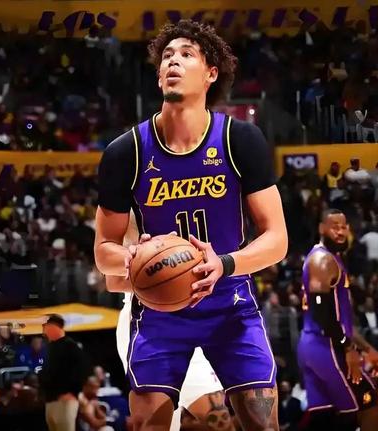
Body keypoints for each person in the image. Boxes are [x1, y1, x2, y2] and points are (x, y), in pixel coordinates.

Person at [95, 19, 287, 430]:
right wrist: (132, 256)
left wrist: (225, 263)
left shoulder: (240, 140)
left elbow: (277, 239)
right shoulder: (125, 152)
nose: (173, 62)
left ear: (211, 73)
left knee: (263, 425)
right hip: (159, 312)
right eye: (167, 56)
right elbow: (103, 252)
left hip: (230, 304)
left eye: (186, 55)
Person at [111, 211, 230, 431]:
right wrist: (171, 279)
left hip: (200, 316)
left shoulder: (209, 199)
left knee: (219, 420)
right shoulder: (130, 205)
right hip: (148, 323)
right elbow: (114, 282)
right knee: (163, 423)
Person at [297, 209, 378, 431]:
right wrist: (348, 348)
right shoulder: (323, 259)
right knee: (370, 408)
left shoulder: (330, 258)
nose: (340, 231)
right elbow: (321, 311)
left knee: (327, 419)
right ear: (321, 229)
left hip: (314, 346)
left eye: (344, 227)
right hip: (327, 346)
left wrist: (367, 349)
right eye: (334, 227)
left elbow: (340, 319)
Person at [40, 314, 89, 431]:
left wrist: (72, 392)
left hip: (65, 399)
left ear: (54, 327)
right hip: (51, 398)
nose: (44, 330)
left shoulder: (70, 346)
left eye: (46, 326)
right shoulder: (50, 348)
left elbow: (82, 369)